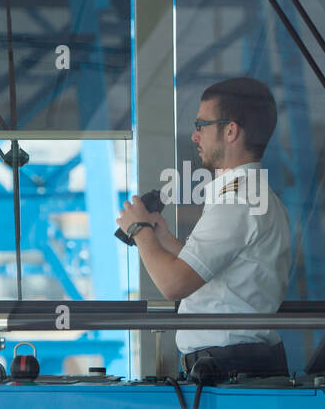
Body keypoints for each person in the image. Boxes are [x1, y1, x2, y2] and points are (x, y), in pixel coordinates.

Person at [116, 77, 292, 379]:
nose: (195, 136)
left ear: (231, 130)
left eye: (202, 125)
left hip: (228, 368)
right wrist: (162, 238)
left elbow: (175, 285)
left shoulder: (236, 201)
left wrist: (139, 231)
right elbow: (217, 275)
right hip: (238, 364)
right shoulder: (257, 196)